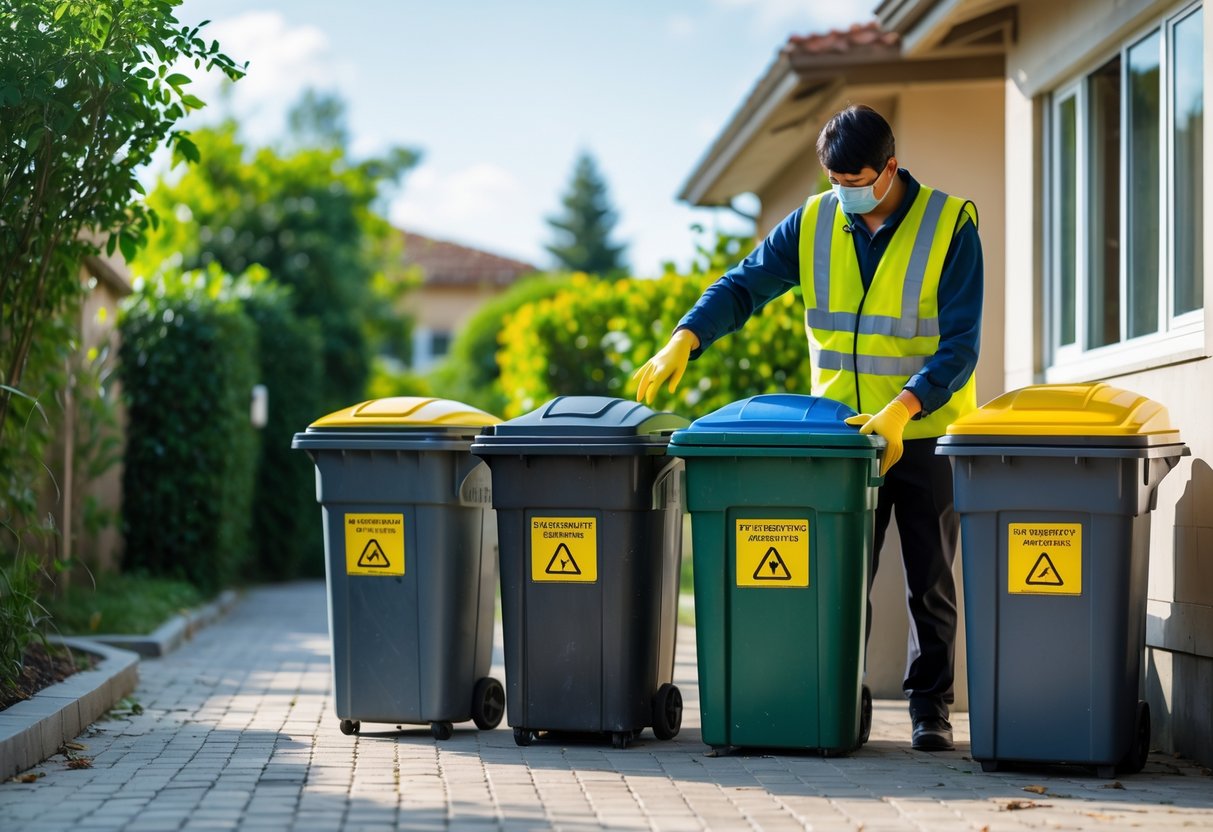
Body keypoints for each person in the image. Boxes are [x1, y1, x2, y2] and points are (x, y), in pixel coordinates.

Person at [633, 104, 982, 752]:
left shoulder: (948, 225)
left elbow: (960, 344)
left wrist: (904, 408)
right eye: (835, 180)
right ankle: (834, 694)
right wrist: (686, 337)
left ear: (889, 168)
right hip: (843, 441)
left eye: (857, 180)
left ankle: (928, 708)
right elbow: (744, 286)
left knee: (927, 578)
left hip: (923, 429)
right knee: (839, 576)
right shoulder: (815, 222)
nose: (845, 192)